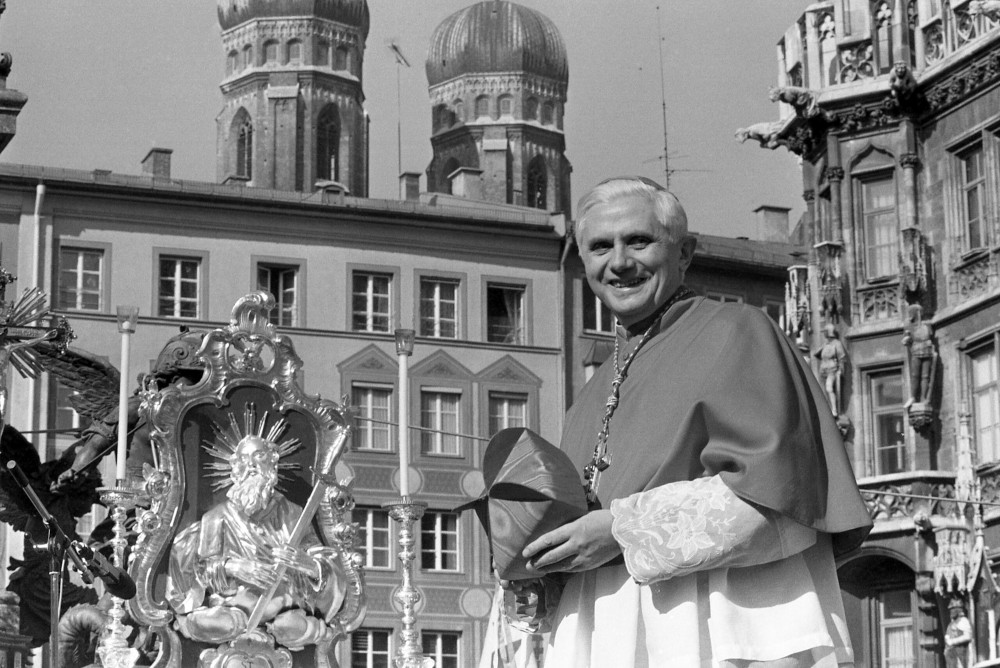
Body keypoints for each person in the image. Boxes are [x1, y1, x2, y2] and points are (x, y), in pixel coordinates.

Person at [508, 177, 872, 667]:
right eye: (599, 247)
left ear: (685, 253)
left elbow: (775, 500)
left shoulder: (739, 331)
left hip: (715, 623)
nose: (619, 262)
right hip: (604, 632)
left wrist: (622, 531)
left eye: (639, 241)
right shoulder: (589, 393)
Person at [165, 429, 347, 650]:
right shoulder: (216, 517)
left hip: (283, 607)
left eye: (259, 456)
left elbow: (324, 563)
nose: (251, 465)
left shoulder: (294, 514)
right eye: (243, 459)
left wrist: (306, 564)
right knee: (209, 622)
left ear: (273, 464)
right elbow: (203, 569)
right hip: (232, 608)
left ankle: (290, 628)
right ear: (234, 469)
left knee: (289, 626)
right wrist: (233, 566)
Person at [814, 324, 848, 416]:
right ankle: (827, 409)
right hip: (823, 370)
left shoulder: (837, 343)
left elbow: (842, 358)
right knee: (823, 391)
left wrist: (841, 370)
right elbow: (816, 354)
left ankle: (834, 409)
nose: (824, 333)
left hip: (832, 369)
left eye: (825, 331)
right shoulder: (826, 344)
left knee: (829, 388)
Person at [943, 598, 971, 668]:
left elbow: (968, 636)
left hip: (960, 653)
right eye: (951, 610)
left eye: (953, 609)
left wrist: (953, 641)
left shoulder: (963, 621)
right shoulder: (950, 624)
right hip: (951, 655)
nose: (951, 612)